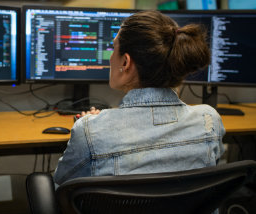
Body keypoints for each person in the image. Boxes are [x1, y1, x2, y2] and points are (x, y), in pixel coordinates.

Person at [53, 10, 225, 186]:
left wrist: (96, 126)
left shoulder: (88, 131)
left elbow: (61, 184)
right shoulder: (209, 121)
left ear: (125, 62)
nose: (111, 57)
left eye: (113, 48)